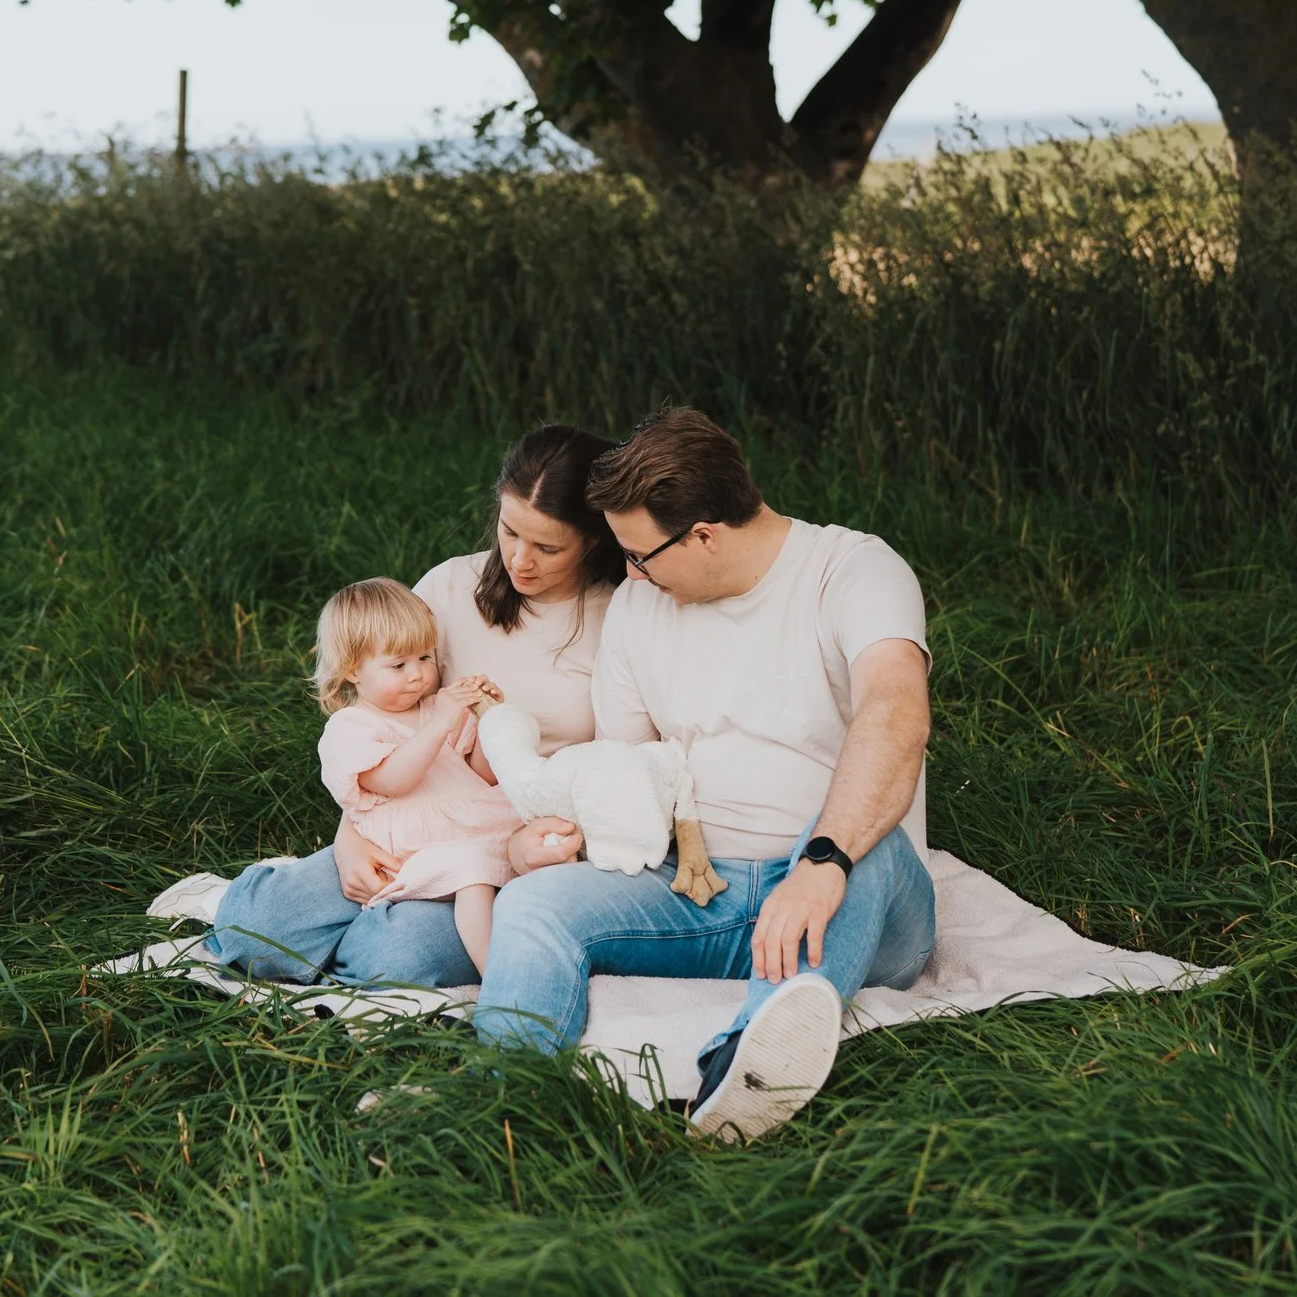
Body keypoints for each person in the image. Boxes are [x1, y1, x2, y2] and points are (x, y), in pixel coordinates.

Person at [474, 407, 937, 1144]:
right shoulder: (638, 609)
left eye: (640, 554)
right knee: (534, 905)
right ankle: (501, 1100)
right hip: (702, 892)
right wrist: (551, 840)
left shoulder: (853, 570)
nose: (628, 572)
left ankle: (745, 1069)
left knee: (869, 847)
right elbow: (629, 771)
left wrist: (821, 862)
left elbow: (896, 713)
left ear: (704, 535)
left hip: (851, 891)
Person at [201, 424, 626, 984]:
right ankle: (333, 927)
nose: (520, 560)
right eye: (509, 532)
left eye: (548, 547)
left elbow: (620, 762)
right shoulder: (450, 587)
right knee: (256, 926)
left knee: (395, 959)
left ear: (593, 540)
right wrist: (350, 838)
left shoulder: (616, 618)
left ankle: (361, 945)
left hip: (515, 844)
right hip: (408, 820)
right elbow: (384, 719)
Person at [307, 578, 518, 973]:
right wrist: (440, 723)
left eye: (425, 658)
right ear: (353, 670)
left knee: (533, 844)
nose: (418, 674)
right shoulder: (351, 726)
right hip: (416, 849)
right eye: (398, 665)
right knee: (471, 867)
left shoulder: (436, 708)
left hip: (476, 821)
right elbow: (392, 781)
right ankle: (496, 972)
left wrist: (490, 718)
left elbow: (482, 775)